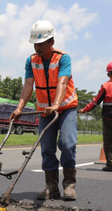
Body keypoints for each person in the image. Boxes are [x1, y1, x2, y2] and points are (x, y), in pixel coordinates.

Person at [10, 20, 79, 201]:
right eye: (35, 44)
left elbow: (62, 82)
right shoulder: (31, 61)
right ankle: (51, 187)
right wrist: (19, 108)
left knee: (67, 143)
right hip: (44, 111)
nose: (37, 47)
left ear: (51, 42)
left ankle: (69, 184)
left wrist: (56, 104)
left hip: (65, 108)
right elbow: (28, 85)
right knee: (47, 147)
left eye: (41, 43)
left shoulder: (63, 58)